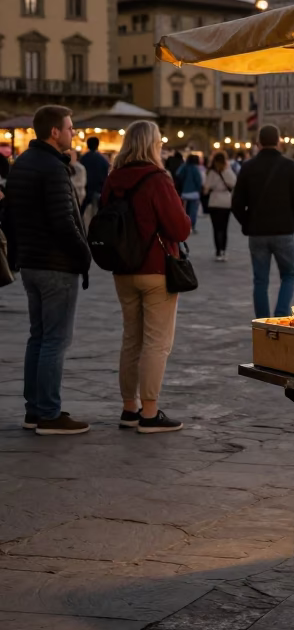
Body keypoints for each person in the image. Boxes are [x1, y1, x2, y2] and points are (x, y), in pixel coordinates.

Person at [2, 105, 92, 434]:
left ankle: (34, 410)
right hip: (56, 264)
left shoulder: (23, 163)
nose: (73, 133)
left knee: (38, 338)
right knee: (55, 340)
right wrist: (83, 254)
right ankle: (50, 414)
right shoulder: (53, 168)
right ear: (55, 132)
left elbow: (10, 216)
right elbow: (63, 221)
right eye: (69, 128)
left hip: (31, 262)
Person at [102, 121, 192, 432]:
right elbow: (179, 228)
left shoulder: (113, 178)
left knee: (131, 339)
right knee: (156, 343)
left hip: (123, 269)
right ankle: (150, 413)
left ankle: (130, 408)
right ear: (152, 144)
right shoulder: (157, 179)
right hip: (155, 269)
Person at [232, 125, 294, 317]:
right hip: (283, 231)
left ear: (258, 143)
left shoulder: (248, 167)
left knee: (260, 281)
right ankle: (281, 314)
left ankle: (263, 321)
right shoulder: (289, 166)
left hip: (257, 232)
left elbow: (236, 204)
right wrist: (292, 220)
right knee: (289, 275)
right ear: (279, 142)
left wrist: (247, 223)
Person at [202, 151, 236, 260]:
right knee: (224, 228)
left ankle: (218, 251)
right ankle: (224, 251)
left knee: (216, 228)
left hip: (214, 201)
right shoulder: (228, 171)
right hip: (226, 201)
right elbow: (235, 183)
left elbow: (206, 189)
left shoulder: (211, 173)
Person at [79, 136, 110, 223]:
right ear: (97, 145)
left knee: (81, 213)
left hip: (86, 189)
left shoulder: (83, 158)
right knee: (97, 214)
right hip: (98, 189)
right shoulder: (103, 160)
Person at [177, 154, 204, 231]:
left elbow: (178, 176)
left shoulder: (183, 167)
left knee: (186, 211)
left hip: (184, 192)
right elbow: (198, 181)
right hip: (194, 193)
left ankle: (186, 225)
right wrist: (199, 190)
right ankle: (192, 226)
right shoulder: (195, 169)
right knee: (193, 211)